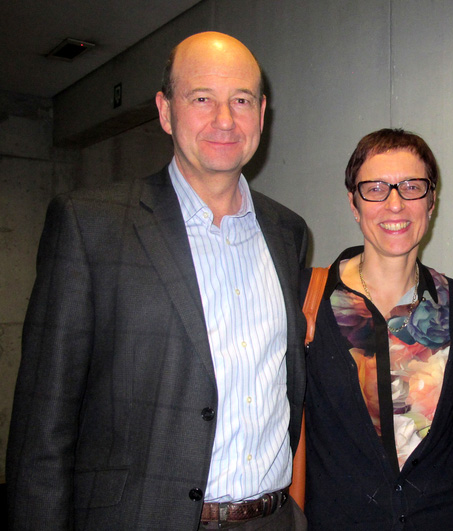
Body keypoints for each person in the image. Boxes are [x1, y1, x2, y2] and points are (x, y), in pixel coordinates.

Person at [6, 32, 308, 530]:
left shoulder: (287, 232)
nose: (224, 119)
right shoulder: (90, 225)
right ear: (166, 111)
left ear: (261, 113)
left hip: (274, 519)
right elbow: (43, 424)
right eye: (202, 99)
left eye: (241, 100)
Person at [302, 129, 453, 530]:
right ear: (354, 204)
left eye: (412, 187)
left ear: (431, 201)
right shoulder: (310, 300)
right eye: (376, 189)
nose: (395, 203)